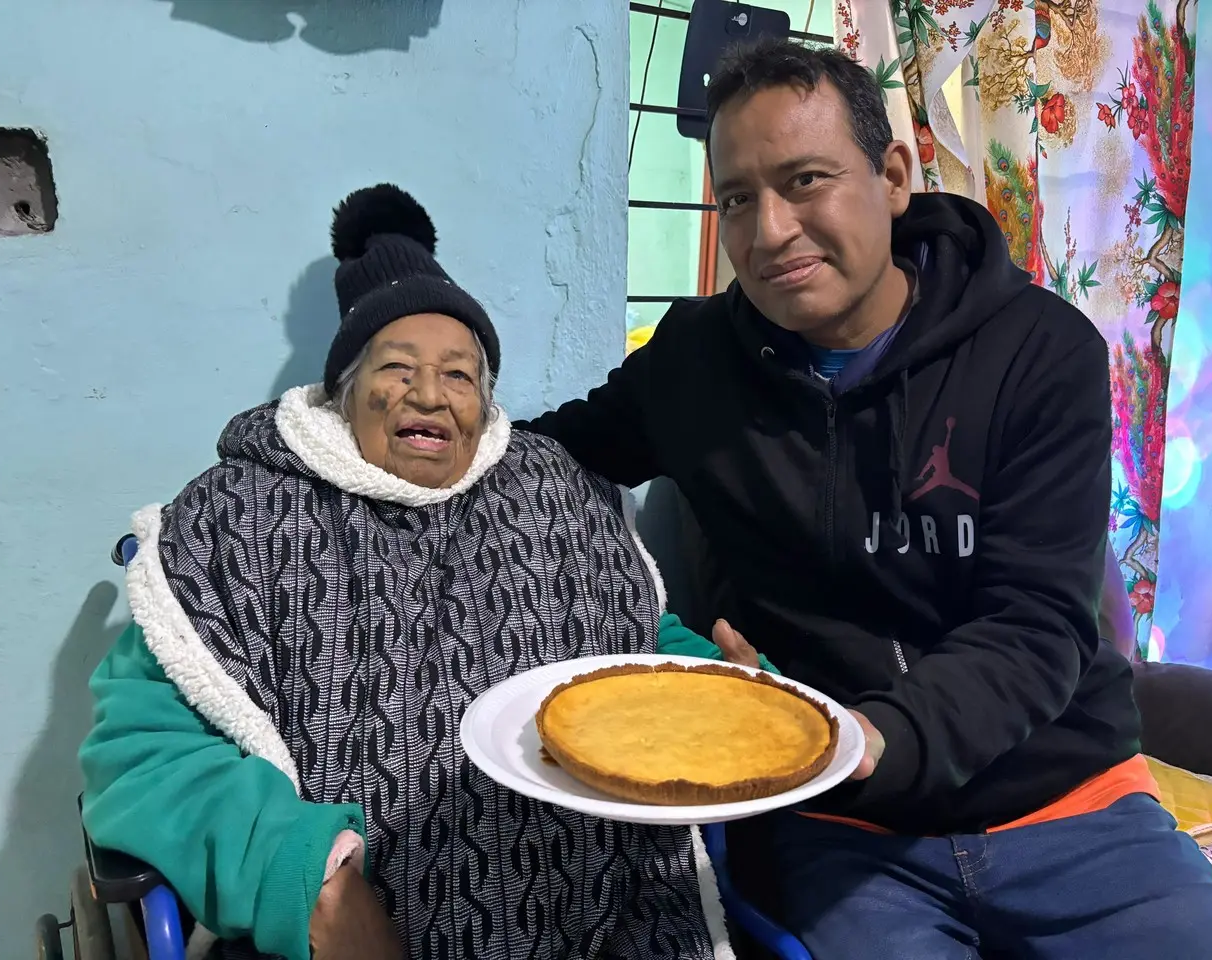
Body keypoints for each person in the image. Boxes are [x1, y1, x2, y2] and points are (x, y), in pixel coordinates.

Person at [523, 38, 1212, 960]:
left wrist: (874, 736)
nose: (768, 232)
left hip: (1068, 800)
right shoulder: (693, 365)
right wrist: (392, 399)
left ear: (896, 174)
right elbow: (542, 457)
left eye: (805, 181)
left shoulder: (1040, 353)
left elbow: (1038, 627)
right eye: (739, 198)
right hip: (835, 827)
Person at [79, 184, 757, 960]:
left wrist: (727, 684)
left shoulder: (550, 490)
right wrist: (314, 883)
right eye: (397, 369)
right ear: (343, 392)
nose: (430, 394)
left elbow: (633, 635)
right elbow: (142, 750)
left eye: (461, 375)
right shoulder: (240, 517)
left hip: (604, 913)